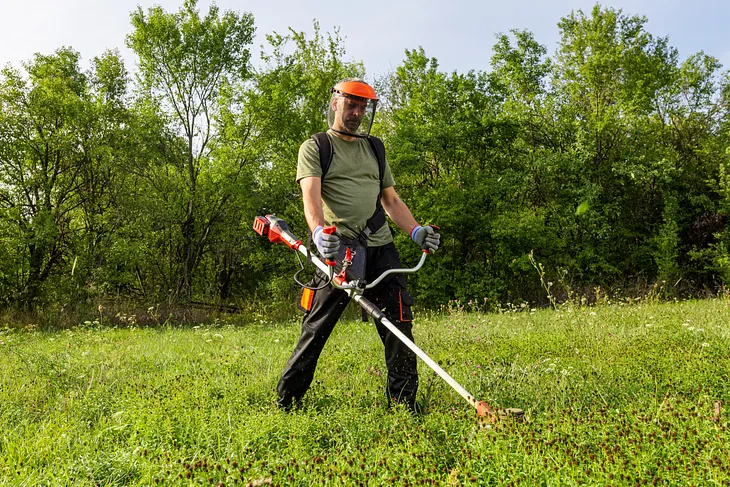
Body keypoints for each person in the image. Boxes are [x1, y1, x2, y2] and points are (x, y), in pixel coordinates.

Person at [276, 78, 440, 413]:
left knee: (398, 324)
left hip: (382, 247)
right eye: (351, 104)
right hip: (340, 249)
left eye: (363, 107)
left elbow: (391, 201)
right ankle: (287, 401)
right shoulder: (317, 147)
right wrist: (320, 233)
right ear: (335, 103)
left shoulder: (375, 148)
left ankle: (404, 405)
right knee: (318, 327)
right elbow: (311, 198)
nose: (357, 113)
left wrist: (415, 231)